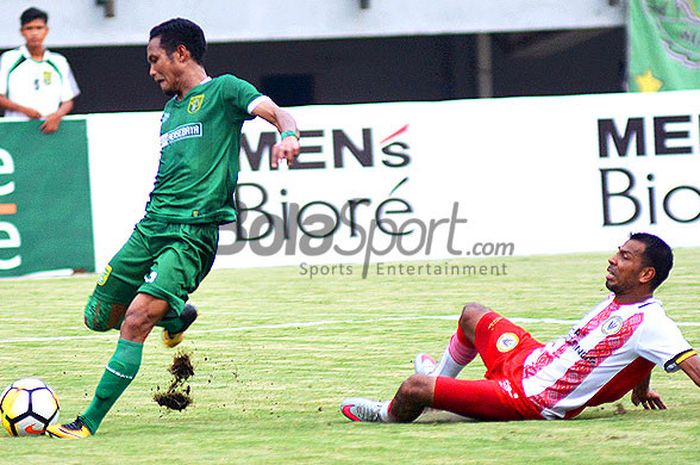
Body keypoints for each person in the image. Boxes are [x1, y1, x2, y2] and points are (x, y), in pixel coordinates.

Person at [45, 18, 300, 439]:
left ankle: (86, 422)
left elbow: (276, 111)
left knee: (135, 320)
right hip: (150, 228)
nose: (151, 71)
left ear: (181, 53)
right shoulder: (171, 110)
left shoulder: (226, 91)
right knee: (96, 316)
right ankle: (176, 317)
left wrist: (288, 134)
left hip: (191, 234)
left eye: (154, 59)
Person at [341, 233, 700, 423]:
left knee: (414, 387)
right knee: (472, 314)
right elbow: (639, 353)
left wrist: (640, 386)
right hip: (529, 359)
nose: (612, 258)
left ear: (646, 274)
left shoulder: (653, 322)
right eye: (617, 251)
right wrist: (641, 389)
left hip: (530, 398)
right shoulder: (622, 303)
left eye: (624, 257)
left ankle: (389, 414)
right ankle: (442, 379)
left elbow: (686, 363)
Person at [0, 7, 80, 134]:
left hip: (50, 130)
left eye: (39, 28)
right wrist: (23, 110)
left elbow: (68, 99)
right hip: (16, 130)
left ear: (46, 30)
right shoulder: (9, 59)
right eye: (29, 28)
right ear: (22, 31)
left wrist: (57, 115)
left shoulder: (59, 61)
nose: (34, 33)